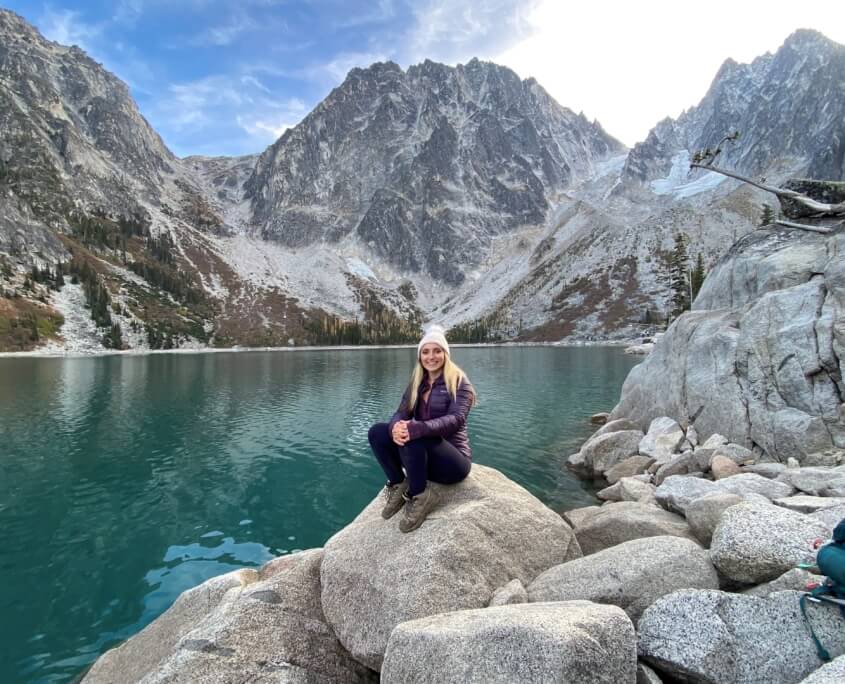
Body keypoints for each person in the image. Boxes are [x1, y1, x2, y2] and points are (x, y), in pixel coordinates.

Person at [368, 324, 476, 533]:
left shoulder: (460, 382)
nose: (431, 357)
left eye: (437, 351)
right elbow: (401, 411)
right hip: (424, 458)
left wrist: (418, 428)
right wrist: (394, 428)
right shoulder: (417, 381)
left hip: (453, 463)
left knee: (415, 434)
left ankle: (420, 494)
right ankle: (399, 483)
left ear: (445, 354)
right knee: (377, 432)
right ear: (420, 356)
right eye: (425, 352)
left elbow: (456, 419)